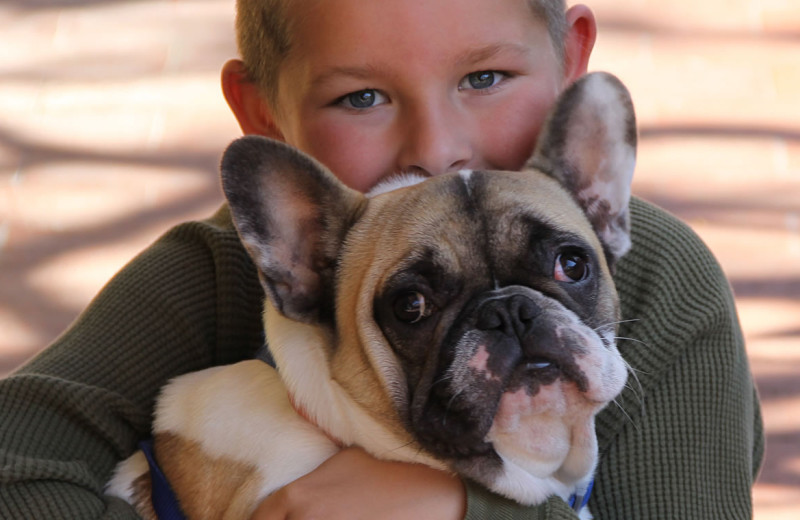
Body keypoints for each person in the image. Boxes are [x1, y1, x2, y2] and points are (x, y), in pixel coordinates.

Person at [0, 0, 764, 518]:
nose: (435, 147)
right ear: (265, 113)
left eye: (485, 77)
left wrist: (457, 507)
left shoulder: (666, 286)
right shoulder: (227, 266)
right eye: (362, 97)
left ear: (569, 59)